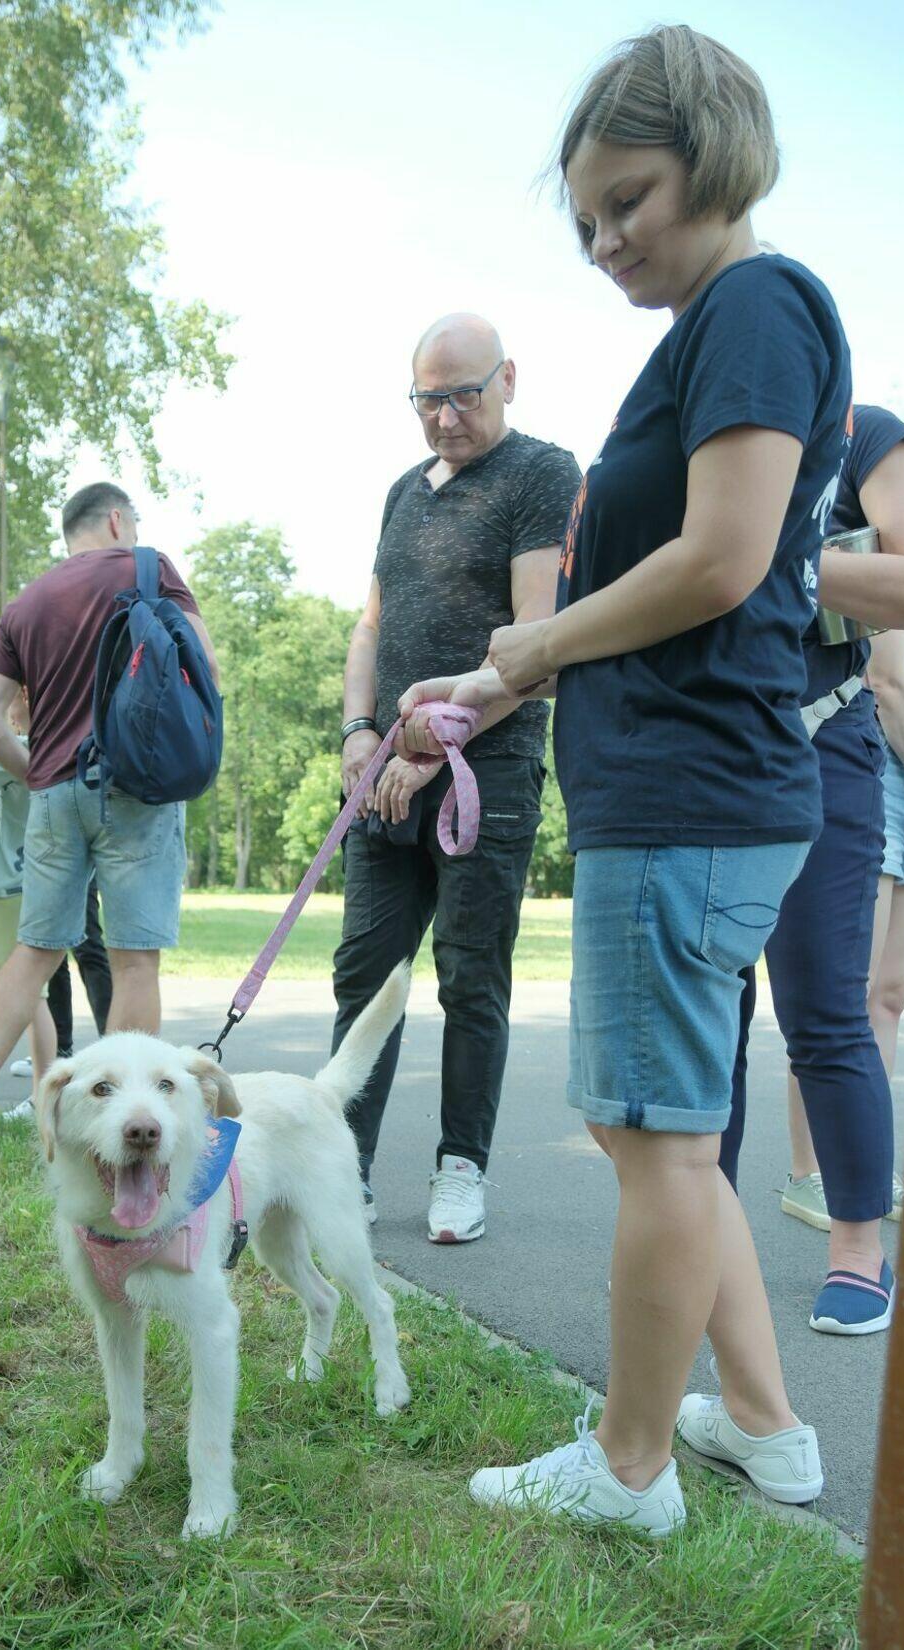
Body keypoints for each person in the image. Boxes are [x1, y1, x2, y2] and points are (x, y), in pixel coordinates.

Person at [400, 25, 844, 1533]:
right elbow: (656, 591)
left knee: (657, 1142)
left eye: (629, 201)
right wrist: (480, 684)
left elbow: (721, 560)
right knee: (658, 1135)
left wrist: (529, 648)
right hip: (684, 789)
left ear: (716, 160)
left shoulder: (757, 307)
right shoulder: (715, 327)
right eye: (587, 219)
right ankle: (767, 1429)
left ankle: (632, 1464)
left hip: (693, 795)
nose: (604, 243)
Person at [332, 311, 580, 1241]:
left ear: (507, 380)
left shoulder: (542, 474)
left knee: (470, 979)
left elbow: (537, 642)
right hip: (383, 771)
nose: (443, 418)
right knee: (364, 974)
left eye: (463, 396)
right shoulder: (403, 490)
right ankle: (344, 1169)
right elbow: (370, 626)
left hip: (488, 773)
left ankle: (461, 1170)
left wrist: (428, 746)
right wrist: (361, 732)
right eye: (426, 400)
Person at [0, 482, 218, 1150]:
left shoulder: (27, 603)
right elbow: (203, 665)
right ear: (117, 520)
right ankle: (122, 1118)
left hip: (54, 794)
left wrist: (35, 769)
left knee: (35, 950)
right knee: (134, 963)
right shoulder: (149, 568)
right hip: (135, 787)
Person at [722, 405, 904, 1336]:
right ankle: (702, 1241)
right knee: (708, 1016)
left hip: (823, 741)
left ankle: (859, 1252)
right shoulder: (698, 433)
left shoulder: (863, 433)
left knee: (829, 1011)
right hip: (708, 746)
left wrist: (767, 555)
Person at [0, 680, 112, 1125]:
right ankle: (41, 1099)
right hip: (45, 885)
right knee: (33, 994)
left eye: (10, 702)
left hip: (4, 887)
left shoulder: (13, 749)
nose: (7, 714)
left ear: (27, 699)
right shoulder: (64, 751)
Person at [9, 879, 112, 1080]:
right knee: (49, 952)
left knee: (88, 949)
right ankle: (58, 1052)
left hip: (81, 865)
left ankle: (113, 1049)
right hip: (46, 866)